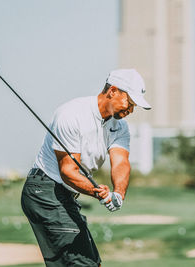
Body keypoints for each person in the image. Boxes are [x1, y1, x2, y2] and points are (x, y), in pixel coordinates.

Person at [21, 69, 151, 267]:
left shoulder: (119, 126)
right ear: (113, 91)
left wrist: (118, 194)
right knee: (82, 264)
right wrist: (98, 193)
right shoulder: (72, 115)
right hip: (45, 191)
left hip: (63, 195)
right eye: (130, 103)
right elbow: (68, 172)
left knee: (92, 263)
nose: (131, 110)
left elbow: (121, 162)